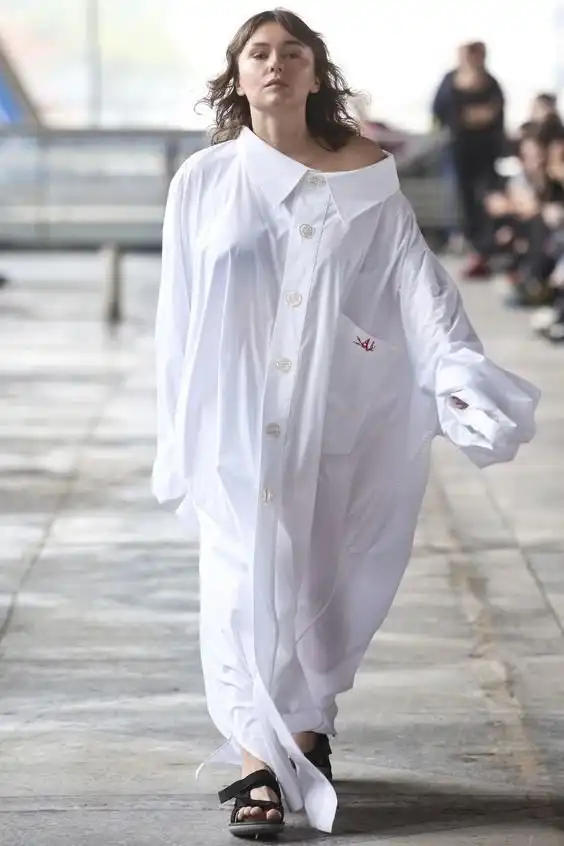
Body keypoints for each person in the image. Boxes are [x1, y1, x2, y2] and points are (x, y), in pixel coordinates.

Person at [152, 9, 540, 839]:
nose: (276, 64)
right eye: (259, 53)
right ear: (237, 73)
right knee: (239, 587)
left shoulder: (367, 182)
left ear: (315, 72)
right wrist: (178, 434)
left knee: (320, 585)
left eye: (293, 52)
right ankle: (256, 764)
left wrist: (456, 371)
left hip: (333, 420)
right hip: (234, 424)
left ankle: (307, 730)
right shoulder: (204, 182)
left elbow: (416, 287)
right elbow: (177, 316)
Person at [432, 41, 506, 278]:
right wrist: (464, 118)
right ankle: (464, 239)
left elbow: (497, 113)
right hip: (458, 149)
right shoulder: (450, 80)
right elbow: (439, 109)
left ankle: (485, 246)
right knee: (461, 196)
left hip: (486, 151)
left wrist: (480, 118)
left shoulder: (491, 82)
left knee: (486, 196)